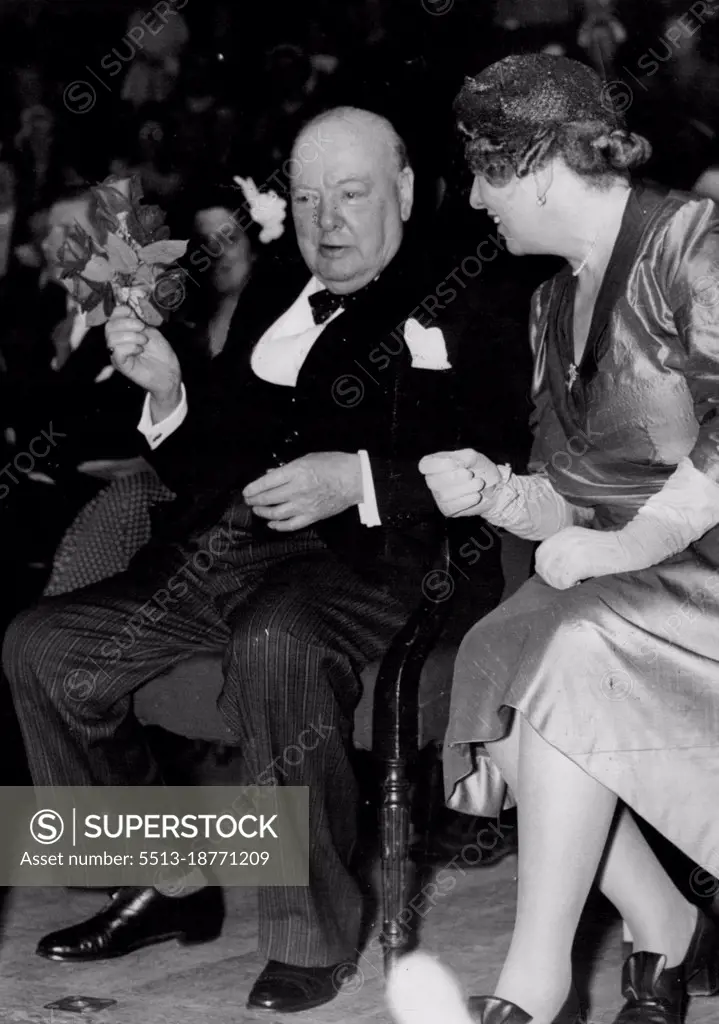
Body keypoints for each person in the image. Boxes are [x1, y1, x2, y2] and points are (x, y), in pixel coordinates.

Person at [2, 106, 520, 1015]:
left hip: (392, 562)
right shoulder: (282, 278)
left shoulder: (470, 288)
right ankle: (167, 882)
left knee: (273, 641)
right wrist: (169, 390)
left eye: (351, 195)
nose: (325, 221)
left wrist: (355, 477)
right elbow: (216, 458)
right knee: (42, 646)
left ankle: (309, 939)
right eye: (309, 197)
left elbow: (500, 454)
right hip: (230, 546)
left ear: (402, 190)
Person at [421, 54, 719, 1024]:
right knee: (497, 651)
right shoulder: (551, 306)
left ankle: (532, 983)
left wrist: (628, 546)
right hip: (626, 581)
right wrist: (496, 493)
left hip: (699, 569)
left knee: (565, 646)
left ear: (538, 164)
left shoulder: (692, 239)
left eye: (481, 170)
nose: (471, 197)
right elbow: (568, 501)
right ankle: (663, 924)